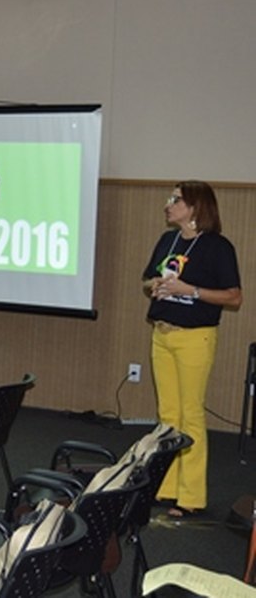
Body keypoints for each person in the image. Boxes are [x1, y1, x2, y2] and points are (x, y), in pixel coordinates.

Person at [141, 181, 242, 519]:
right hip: (163, 334)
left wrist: (191, 290)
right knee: (168, 415)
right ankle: (166, 486)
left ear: (196, 207)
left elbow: (233, 297)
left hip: (194, 338)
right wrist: (154, 285)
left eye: (176, 199)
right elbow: (147, 279)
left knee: (191, 416)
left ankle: (191, 496)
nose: (168, 204)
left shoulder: (217, 247)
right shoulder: (167, 240)